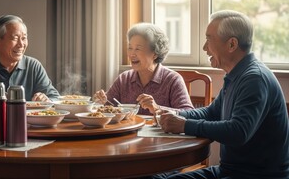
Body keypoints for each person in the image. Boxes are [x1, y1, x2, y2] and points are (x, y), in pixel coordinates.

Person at [159, 10, 289, 179]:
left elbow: (238, 132)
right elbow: (211, 112)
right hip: (229, 171)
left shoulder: (254, 78)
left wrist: (184, 125)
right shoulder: (237, 74)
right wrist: (175, 115)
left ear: (232, 44)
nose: (204, 48)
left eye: (208, 39)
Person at [93, 22, 194, 116]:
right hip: (129, 133)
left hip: (160, 134)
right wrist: (100, 102)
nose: (132, 54)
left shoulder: (172, 79)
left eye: (138, 49)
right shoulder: (124, 78)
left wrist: (157, 108)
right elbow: (109, 106)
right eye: (130, 48)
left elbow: (188, 113)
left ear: (155, 53)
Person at [0, 15, 59, 101]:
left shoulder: (33, 66)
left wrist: (46, 100)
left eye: (24, 38)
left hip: (27, 122)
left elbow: (54, 97)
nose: (21, 44)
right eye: (15, 38)